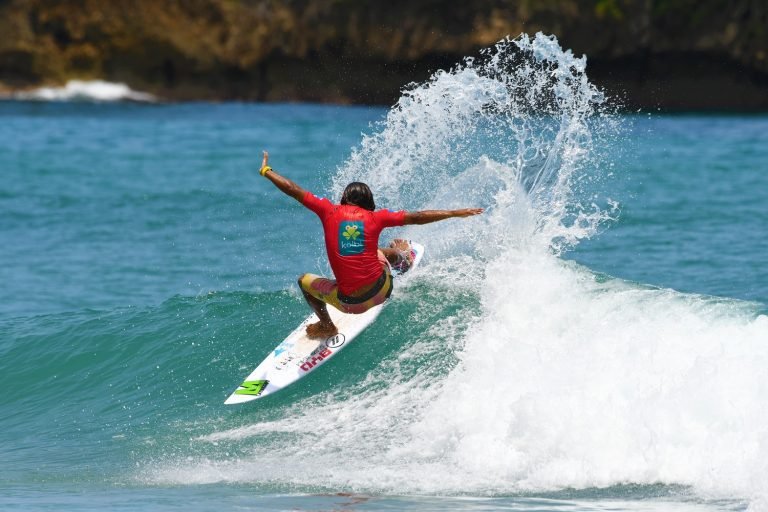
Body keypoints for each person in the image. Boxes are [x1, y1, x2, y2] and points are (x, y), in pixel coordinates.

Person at [259, 151, 483, 338]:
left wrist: (266, 171)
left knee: (303, 281)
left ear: (344, 197)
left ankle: (326, 325)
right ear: (369, 201)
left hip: (349, 304)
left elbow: (292, 189)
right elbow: (417, 216)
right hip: (382, 290)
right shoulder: (377, 217)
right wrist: (454, 212)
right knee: (379, 251)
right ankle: (403, 256)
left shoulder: (328, 210)